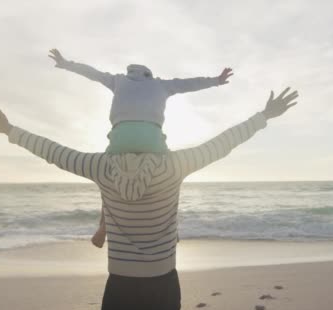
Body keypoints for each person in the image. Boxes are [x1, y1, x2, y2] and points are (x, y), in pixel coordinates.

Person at [0, 87, 298, 310]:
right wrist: (265, 115)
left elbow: (53, 152)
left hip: (121, 282)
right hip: (163, 279)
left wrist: (9, 130)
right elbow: (224, 143)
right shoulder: (174, 166)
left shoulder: (100, 166)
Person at [48, 48, 234, 248]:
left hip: (120, 141)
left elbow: (92, 73)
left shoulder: (118, 81)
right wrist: (216, 80)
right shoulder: (160, 85)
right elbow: (188, 84)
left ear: (130, 72)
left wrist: (66, 64)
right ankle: (174, 229)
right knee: (171, 177)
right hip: (152, 143)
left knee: (107, 180)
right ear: (149, 74)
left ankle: (103, 227)